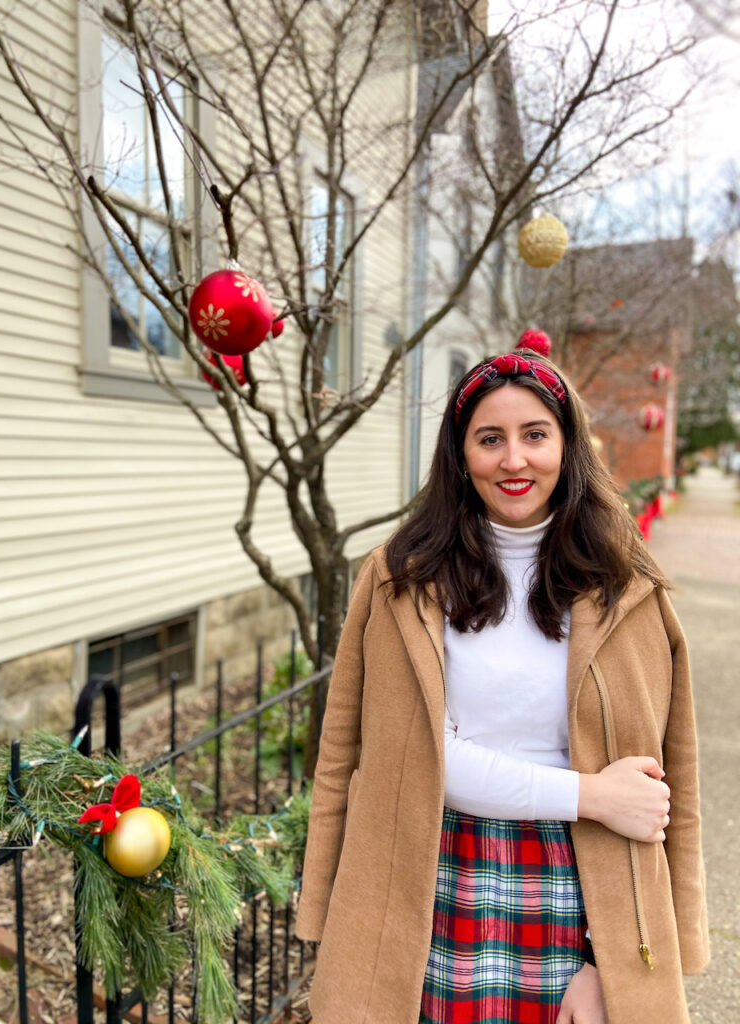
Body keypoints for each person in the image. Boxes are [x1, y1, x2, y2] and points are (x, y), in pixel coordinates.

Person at [294, 351, 709, 1024]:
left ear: (566, 445)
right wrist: (594, 795)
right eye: (490, 439)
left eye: (535, 435)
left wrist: (611, 964)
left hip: (580, 892)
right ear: (462, 456)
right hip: (428, 884)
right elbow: (374, 756)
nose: (514, 460)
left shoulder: (628, 589)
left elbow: (668, 785)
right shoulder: (400, 581)